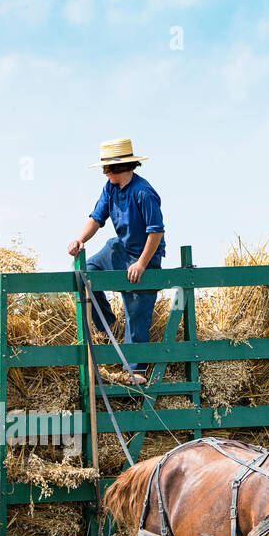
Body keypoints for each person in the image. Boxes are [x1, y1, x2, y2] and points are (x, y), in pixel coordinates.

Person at [66, 138, 166, 384]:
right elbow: (96, 218)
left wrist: (141, 263)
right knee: (88, 273)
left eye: (107, 169)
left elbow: (156, 232)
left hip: (146, 255)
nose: (104, 172)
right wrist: (80, 240)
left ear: (120, 168)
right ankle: (107, 325)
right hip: (120, 249)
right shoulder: (110, 189)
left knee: (137, 311)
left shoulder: (144, 193)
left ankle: (136, 370)